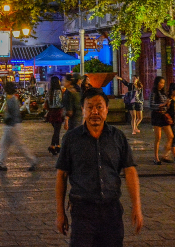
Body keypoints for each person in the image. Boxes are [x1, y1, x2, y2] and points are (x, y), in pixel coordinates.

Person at [55, 88, 143, 246]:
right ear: (83, 110)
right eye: (89, 107)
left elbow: (130, 171)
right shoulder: (71, 139)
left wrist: (136, 206)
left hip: (111, 210)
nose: (94, 111)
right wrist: (60, 213)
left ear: (107, 109)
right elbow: (62, 175)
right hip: (82, 211)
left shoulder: (117, 137)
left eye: (99, 107)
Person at [0, 82, 36, 172]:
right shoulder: (11, 99)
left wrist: (8, 118)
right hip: (10, 126)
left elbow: (15, 114)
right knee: (4, 145)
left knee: (19, 145)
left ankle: (32, 161)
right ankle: (1, 164)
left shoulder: (12, 100)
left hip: (13, 126)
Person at [149, 76, 174, 164]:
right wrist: (162, 104)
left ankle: (165, 154)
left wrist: (168, 104)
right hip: (157, 115)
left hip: (164, 116)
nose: (162, 85)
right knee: (158, 137)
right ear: (157, 83)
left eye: (163, 83)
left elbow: (166, 106)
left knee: (170, 136)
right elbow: (151, 105)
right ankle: (156, 157)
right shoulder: (154, 93)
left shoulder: (164, 93)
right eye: (160, 83)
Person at [45, 75, 64, 156]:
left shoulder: (49, 92)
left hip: (51, 112)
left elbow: (46, 102)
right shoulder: (58, 92)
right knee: (57, 130)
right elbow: (58, 103)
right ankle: (52, 146)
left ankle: (57, 145)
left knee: (56, 130)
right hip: (57, 112)